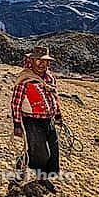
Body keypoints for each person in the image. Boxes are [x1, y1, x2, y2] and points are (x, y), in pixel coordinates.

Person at [10, 46, 62, 180]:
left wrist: (58, 114)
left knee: (53, 151)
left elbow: (54, 97)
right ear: (31, 61)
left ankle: (44, 177)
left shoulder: (50, 78)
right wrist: (17, 124)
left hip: (49, 119)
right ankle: (25, 163)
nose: (41, 63)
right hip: (32, 121)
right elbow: (16, 103)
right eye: (37, 60)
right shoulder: (24, 79)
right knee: (41, 153)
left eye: (44, 61)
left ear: (48, 63)